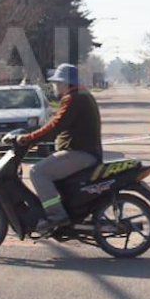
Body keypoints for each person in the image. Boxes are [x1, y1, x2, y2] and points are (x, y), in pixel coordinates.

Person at [16, 64, 102, 235]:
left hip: (80, 153)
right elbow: (61, 126)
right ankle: (61, 212)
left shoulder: (73, 98)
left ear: (65, 83)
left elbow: (56, 126)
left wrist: (29, 139)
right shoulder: (82, 95)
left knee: (37, 172)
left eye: (56, 82)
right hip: (85, 152)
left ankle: (56, 215)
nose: (54, 86)